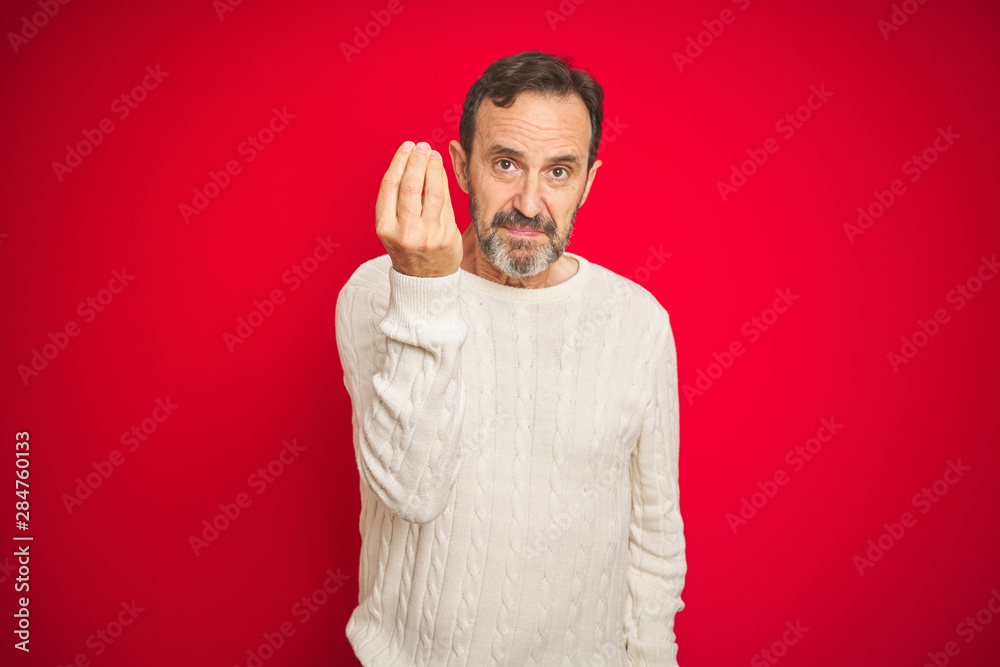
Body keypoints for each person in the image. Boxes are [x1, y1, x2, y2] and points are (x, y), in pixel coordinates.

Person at [335, 50, 686, 666]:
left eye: (558, 172)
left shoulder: (637, 322)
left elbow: (654, 536)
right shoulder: (379, 293)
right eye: (505, 164)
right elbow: (412, 492)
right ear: (461, 167)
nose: (529, 203)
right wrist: (423, 286)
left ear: (589, 181)